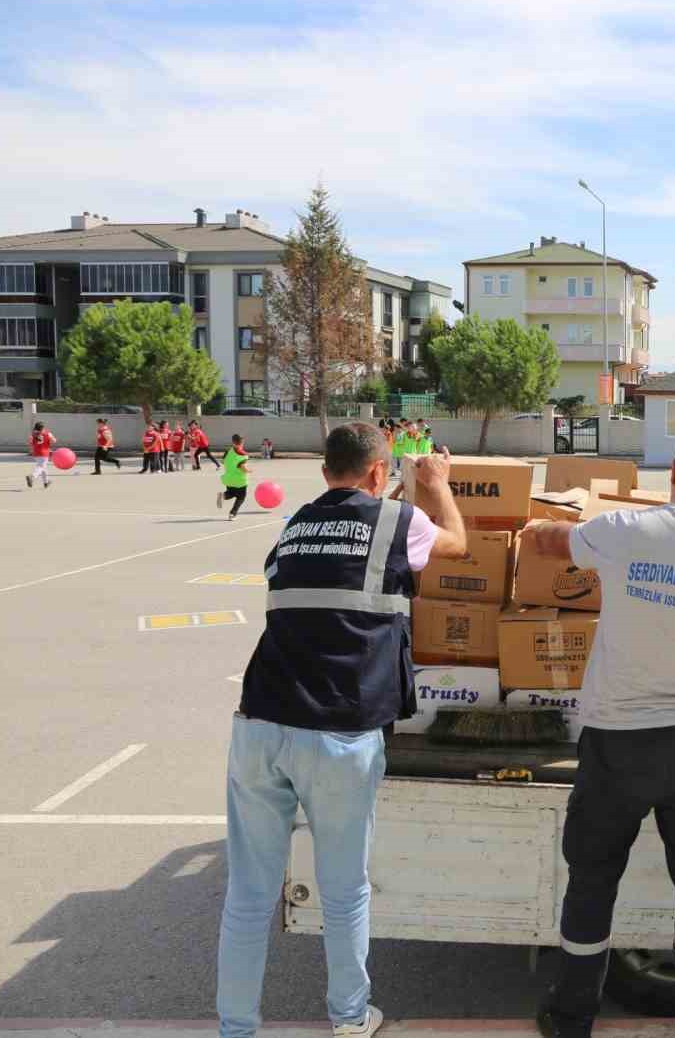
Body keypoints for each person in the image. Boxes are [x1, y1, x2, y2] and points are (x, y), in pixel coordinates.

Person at [216, 424, 467, 1038]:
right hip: (338, 729)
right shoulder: (397, 521)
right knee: (344, 889)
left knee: (249, 893)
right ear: (380, 474)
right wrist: (437, 487)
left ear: (328, 471)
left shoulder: (294, 526)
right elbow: (457, 543)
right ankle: (350, 1018)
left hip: (259, 722)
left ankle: (236, 1027)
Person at [522, 430, 675, 1038]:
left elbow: (554, 543)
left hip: (618, 739)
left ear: (674, 471)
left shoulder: (623, 531)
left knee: (593, 877)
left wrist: (534, 529)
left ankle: (572, 1014)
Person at [218, 435, 252, 520]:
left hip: (228, 478)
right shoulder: (243, 454)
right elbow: (242, 467)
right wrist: (248, 470)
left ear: (233, 442)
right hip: (240, 480)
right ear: (242, 443)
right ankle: (232, 514)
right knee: (241, 497)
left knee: (232, 493)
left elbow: (222, 462)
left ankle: (223, 495)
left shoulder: (228, 451)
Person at [27, 422, 56, 489]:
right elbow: (54, 441)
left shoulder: (33, 435)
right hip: (44, 453)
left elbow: (30, 442)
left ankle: (46, 482)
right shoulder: (48, 433)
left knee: (44, 468)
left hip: (36, 453)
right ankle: (32, 477)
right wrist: (49, 439)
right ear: (42, 428)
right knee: (41, 467)